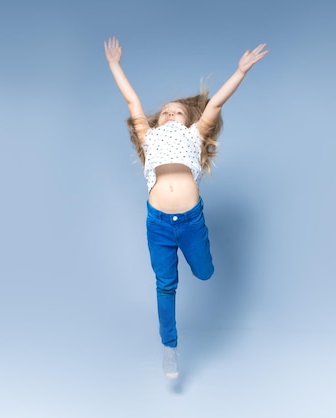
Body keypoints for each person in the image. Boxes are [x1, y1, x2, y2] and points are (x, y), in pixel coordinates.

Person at [104, 36, 268, 379]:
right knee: (165, 286)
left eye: (177, 110)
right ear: (159, 120)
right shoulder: (149, 136)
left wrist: (240, 72)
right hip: (159, 224)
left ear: (187, 118)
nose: (169, 112)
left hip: (192, 222)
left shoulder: (194, 134)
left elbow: (217, 104)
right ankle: (170, 348)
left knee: (205, 272)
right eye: (165, 110)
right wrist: (115, 65)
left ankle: (202, 265)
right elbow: (132, 100)